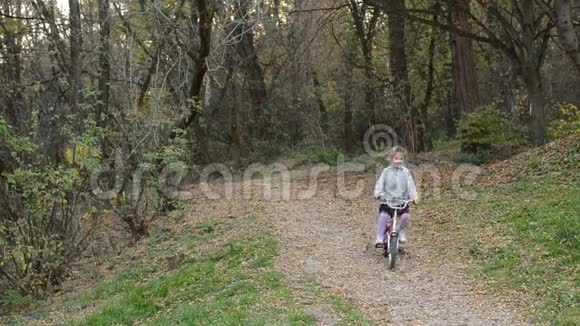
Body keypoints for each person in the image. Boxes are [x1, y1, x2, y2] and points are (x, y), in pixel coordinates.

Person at [373, 146, 418, 248]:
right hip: (387, 200)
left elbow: (410, 185)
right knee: (383, 216)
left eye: (401, 159)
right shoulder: (386, 171)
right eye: (396, 158)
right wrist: (377, 193)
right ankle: (379, 237)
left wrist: (414, 196)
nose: (398, 161)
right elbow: (380, 183)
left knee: (406, 217)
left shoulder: (406, 172)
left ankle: (401, 231)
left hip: (402, 201)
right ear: (391, 159)